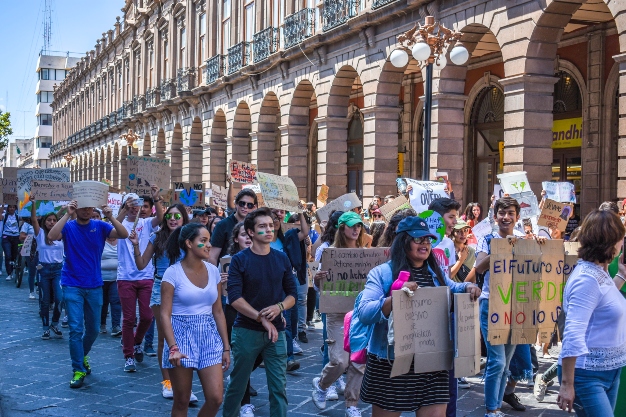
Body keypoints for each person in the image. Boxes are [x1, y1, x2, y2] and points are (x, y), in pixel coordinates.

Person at [356, 216, 481, 417]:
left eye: (428, 240)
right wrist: (394, 299)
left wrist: (468, 286)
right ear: (403, 241)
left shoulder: (436, 272)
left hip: (432, 362)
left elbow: (453, 288)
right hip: (392, 363)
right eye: (418, 239)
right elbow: (364, 312)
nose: (424, 244)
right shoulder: (381, 273)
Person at [222, 207, 297, 417]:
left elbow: (292, 294)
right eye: (262, 226)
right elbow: (234, 298)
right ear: (251, 232)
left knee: (279, 388)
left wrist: (279, 307)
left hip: (277, 332)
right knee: (238, 385)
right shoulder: (239, 260)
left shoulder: (281, 258)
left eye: (271, 226)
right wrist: (260, 318)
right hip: (247, 331)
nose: (269, 230)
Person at [474, 196, 543, 416]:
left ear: (517, 217)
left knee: (506, 362)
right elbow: (479, 268)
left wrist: (539, 246)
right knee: (497, 360)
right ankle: (491, 409)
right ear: (495, 217)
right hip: (492, 303)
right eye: (502, 213)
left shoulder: (524, 239)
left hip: (516, 305)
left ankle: (495, 405)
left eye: (510, 213)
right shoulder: (487, 239)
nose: (506, 217)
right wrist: (500, 250)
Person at [48, 200, 128, 388]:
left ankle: (81, 355)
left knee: (92, 329)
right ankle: (77, 369)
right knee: (76, 328)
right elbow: (52, 236)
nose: (86, 210)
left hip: (94, 284)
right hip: (71, 283)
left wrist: (110, 216)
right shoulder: (68, 227)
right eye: (82, 207)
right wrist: (67, 214)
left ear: (93, 208)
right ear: (77, 208)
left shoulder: (100, 226)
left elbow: (123, 234)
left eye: (89, 207)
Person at [557, 209, 626, 416]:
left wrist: (622, 275)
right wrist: (567, 384)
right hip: (587, 375)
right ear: (610, 241)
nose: (622, 244)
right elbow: (573, 333)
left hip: (609, 370)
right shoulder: (587, 279)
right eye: (621, 239)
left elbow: (602, 304)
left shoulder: (599, 272)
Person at [158, 223, 229, 417]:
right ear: (189, 243)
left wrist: (226, 347)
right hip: (180, 335)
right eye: (203, 241)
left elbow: (218, 311)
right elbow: (165, 314)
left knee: (216, 398)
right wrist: (172, 347)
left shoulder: (213, 271)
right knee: (182, 400)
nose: (208, 245)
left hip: (209, 334)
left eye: (209, 241)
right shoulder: (172, 273)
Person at [129, 203, 194, 400]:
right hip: (162, 289)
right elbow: (141, 265)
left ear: (184, 219)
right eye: (169, 216)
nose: (173, 219)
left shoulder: (191, 238)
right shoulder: (156, 237)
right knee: (164, 338)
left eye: (177, 216)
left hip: (186, 290)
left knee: (185, 339)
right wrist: (135, 246)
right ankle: (167, 383)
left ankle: (184, 386)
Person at [311, 211, 368, 417]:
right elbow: (319, 288)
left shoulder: (365, 253)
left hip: (359, 314)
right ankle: (322, 384)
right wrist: (318, 279)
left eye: (359, 226)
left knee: (358, 361)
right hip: (336, 314)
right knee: (340, 361)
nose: (356, 229)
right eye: (352, 226)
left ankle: (352, 405)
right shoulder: (330, 253)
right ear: (341, 228)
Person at [115, 189, 164, 372]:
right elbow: (112, 229)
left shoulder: (145, 223)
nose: (136, 208)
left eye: (140, 205)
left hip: (145, 276)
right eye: (132, 205)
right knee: (128, 319)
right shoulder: (120, 224)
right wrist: (123, 209)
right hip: (125, 277)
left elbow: (160, 217)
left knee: (147, 316)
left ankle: (136, 342)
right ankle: (128, 356)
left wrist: (156, 198)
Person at [270, 209, 309, 370]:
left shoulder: (287, 238)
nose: (275, 221)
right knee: (280, 320)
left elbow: (305, 231)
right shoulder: (260, 241)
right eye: (271, 219)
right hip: (268, 284)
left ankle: (286, 352)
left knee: (290, 319)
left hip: (286, 283)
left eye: (277, 218)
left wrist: (300, 212)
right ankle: (288, 358)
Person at [30, 201, 64, 340]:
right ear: (45, 222)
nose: (51, 222)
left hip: (58, 270)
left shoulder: (61, 234)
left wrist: (63, 211)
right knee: (45, 300)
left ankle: (55, 323)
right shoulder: (40, 234)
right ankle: (45, 328)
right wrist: (33, 204)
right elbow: (33, 219)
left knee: (60, 298)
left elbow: (63, 220)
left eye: (54, 220)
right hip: (43, 269)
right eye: (49, 220)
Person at [209, 189, 257, 266]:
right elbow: (212, 257)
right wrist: (217, 277)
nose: (245, 207)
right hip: (226, 273)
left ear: (254, 207)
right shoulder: (222, 225)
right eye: (242, 203)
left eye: (249, 205)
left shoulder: (255, 225)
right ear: (236, 204)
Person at [100, 223, 121, 337]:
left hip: (116, 277)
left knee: (116, 301)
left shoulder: (121, 241)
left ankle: (115, 326)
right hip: (101, 277)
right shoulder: (101, 240)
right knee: (102, 303)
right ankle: (101, 324)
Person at [18, 212, 38, 299]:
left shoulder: (44, 222)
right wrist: (33, 237)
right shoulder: (27, 224)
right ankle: (31, 291)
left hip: (41, 248)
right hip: (30, 247)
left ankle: (39, 286)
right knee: (32, 270)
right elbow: (21, 236)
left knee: (41, 268)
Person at [450, 219, 476, 283]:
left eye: (465, 230)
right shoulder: (448, 251)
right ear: (453, 233)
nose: (463, 234)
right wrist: (461, 260)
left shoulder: (473, 252)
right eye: (459, 231)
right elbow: (448, 276)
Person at [1, 204, 21, 280]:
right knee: (8, 255)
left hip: (16, 237)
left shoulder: (17, 216)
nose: (12, 209)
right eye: (10, 207)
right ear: (8, 208)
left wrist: (18, 202)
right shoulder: (4, 215)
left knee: (14, 255)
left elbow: (24, 214)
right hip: (6, 237)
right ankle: (9, 273)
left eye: (13, 207)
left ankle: (14, 269)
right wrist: (3, 203)